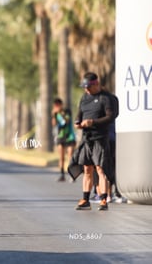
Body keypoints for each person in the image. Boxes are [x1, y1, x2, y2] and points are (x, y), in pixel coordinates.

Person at [73, 72, 115, 211]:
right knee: (87, 169)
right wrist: (77, 123)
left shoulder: (105, 98)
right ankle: (85, 199)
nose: (86, 90)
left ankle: (104, 199)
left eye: (88, 87)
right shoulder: (85, 98)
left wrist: (93, 122)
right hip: (87, 139)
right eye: (84, 87)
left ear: (96, 84)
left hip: (100, 138)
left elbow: (110, 117)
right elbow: (79, 115)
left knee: (100, 168)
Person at [51, 98, 76, 182]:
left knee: (70, 156)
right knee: (61, 157)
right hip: (60, 137)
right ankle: (62, 175)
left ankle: (72, 175)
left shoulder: (67, 111)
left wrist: (60, 113)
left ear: (61, 105)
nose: (57, 107)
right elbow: (54, 124)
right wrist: (54, 115)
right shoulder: (55, 114)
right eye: (55, 105)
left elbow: (66, 121)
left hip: (70, 136)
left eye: (58, 105)